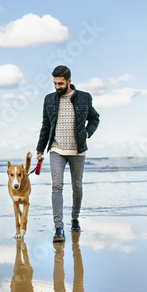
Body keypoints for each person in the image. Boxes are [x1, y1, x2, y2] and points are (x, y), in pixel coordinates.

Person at [36, 65, 100, 242]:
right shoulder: (48, 100)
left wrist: (88, 132)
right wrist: (40, 150)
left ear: (69, 81)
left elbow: (95, 118)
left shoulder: (84, 98)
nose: (57, 87)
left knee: (77, 186)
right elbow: (46, 126)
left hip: (77, 151)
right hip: (56, 149)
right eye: (55, 83)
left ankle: (75, 218)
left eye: (60, 83)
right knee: (57, 186)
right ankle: (59, 228)